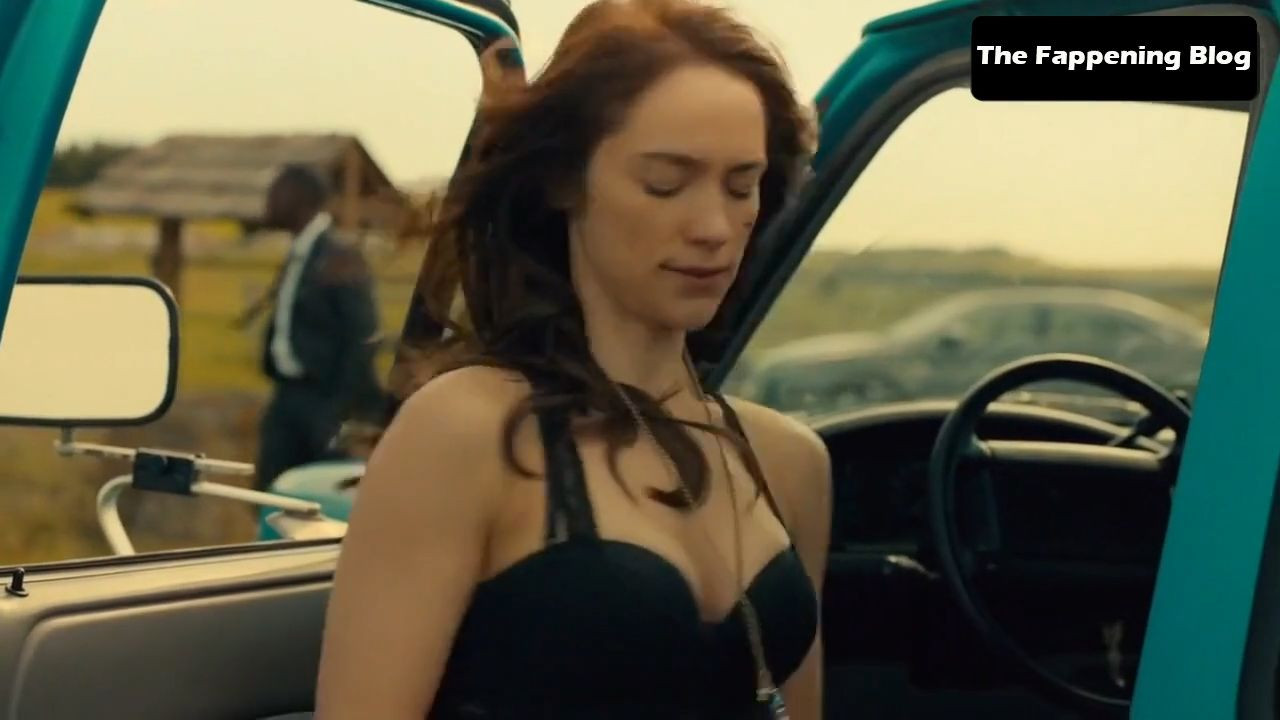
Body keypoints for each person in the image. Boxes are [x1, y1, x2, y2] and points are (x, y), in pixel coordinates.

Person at [314, 1, 831, 718]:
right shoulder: (468, 434)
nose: (715, 226)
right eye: (665, 182)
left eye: (742, 186)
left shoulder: (788, 463)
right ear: (563, 180)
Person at [250, 164, 385, 489]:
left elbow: (363, 333)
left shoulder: (339, 255)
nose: (268, 202)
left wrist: (339, 406)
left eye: (276, 193)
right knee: (271, 490)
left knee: (320, 493)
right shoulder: (300, 252)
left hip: (325, 400)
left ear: (301, 199)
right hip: (288, 395)